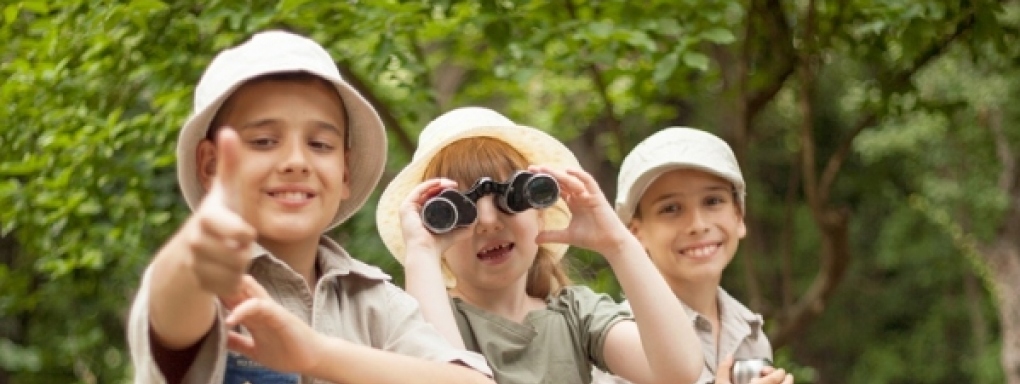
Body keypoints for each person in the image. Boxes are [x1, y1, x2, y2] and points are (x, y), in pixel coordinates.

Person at [126, 30, 493, 384]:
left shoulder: (374, 301)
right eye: (265, 141)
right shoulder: (205, 280)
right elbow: (175, 302)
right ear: (210, 165)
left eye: (319, 144)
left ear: (345, 171)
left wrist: (315, 354)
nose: (296, 161)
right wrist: (194, 253)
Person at [373, 107, 704, 384]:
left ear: (542, 211)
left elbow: (679, 373)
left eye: (508, 198)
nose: (488, 221)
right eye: (461, 209)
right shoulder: (439, 322)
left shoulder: (575, 315)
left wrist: (618, 242)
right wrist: (420, 252)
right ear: (436, 229)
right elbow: (435, 376)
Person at [593, 127, 794, 384]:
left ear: (739, 216)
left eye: (712, 201)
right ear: (636, 234)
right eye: (671, 208)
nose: (697, 224)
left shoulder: (750, 332)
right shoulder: (620, 341)